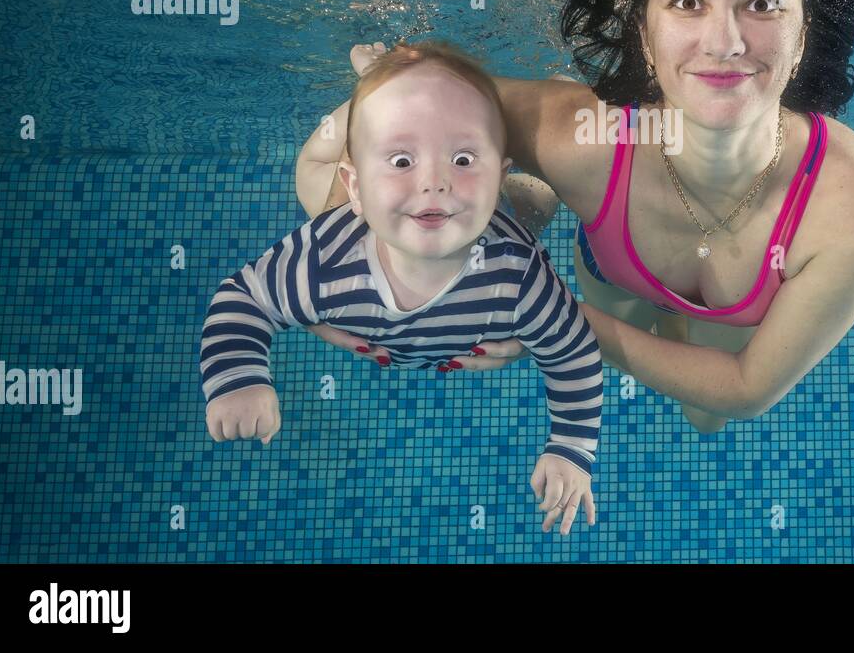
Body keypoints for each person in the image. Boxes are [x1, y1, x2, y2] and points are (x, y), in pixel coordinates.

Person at [297, 0, 854, 435]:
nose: (724, 42)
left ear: (803, 34)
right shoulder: (579, 137)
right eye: (688, 3)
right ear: (643, 31)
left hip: (721, 311)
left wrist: (540, 314)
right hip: (614, 269)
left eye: (763, 4)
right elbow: (397, 114)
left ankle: (532, 205)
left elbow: (746, 389)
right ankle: (526, 200)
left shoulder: (851, 206)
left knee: (708, 414)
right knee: (600, 310)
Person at [205, 40, 602, 535]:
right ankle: (370, 86)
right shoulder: (325, 261)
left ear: (498, 175)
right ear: (357, 187)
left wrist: (570, 447)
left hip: (485, 221)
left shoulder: (517, 276)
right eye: (401, 161)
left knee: (538, 202)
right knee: (313, 168)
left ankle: (406, 105)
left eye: (462, 158)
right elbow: (244, 298)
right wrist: (238, 376)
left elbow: (572, 352)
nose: (433, 182)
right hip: (343, 212)